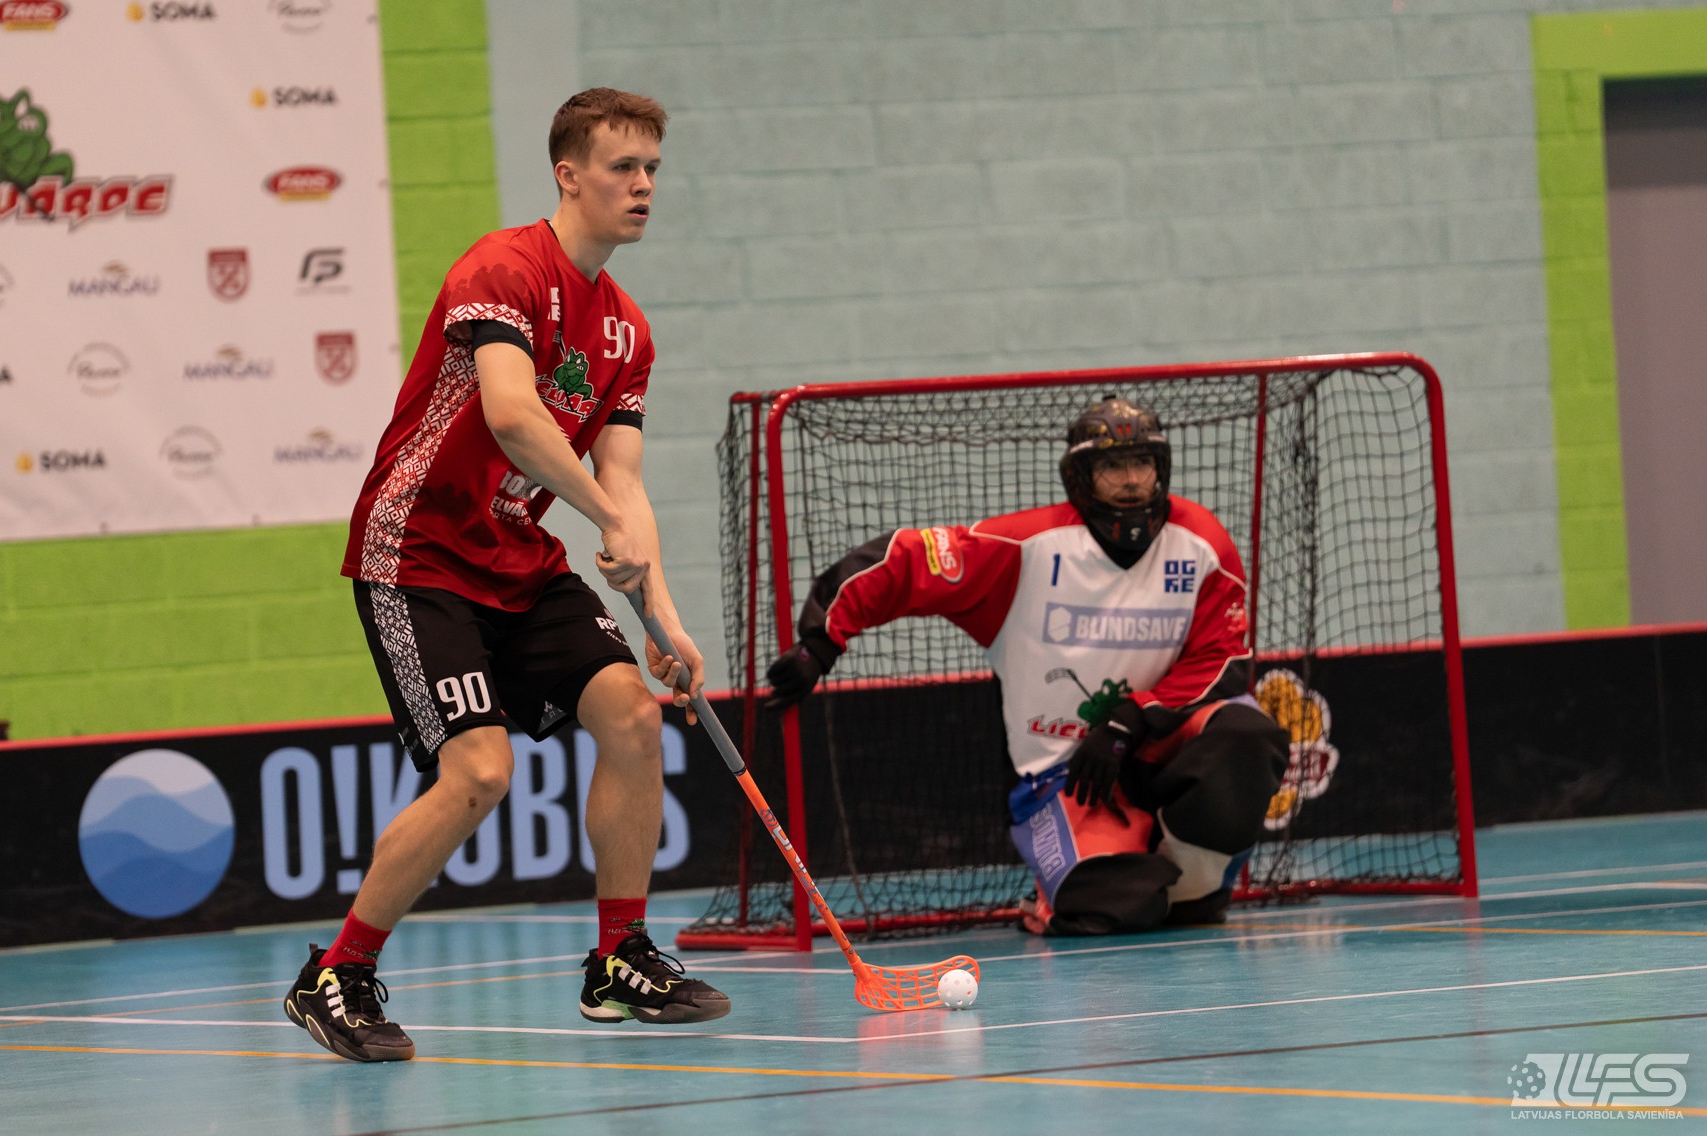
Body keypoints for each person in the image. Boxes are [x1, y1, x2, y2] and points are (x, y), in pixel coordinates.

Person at [282, 88, 729, 1064]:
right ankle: (336, 973)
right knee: (481, 770)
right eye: (623, 167)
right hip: (418, 553)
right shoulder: (503, 269)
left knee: (633, 716)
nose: (644, 186)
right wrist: (605, 518)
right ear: (569, 175)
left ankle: (619, 959)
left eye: (653, 169)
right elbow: (514, 417)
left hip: (516, 556)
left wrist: (661, 617)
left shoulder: (628, 332)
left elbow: (624, 483)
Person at [765, 397, 1289, 936]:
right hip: (1065, 776)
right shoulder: (1025, 547)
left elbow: (1221, 659)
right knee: (1110, 910)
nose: (1133, 480)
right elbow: (908, 561)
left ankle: (1190, 889)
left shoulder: (1201, 541)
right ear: (1080, 477)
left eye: (1143, 463)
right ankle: (1092, 886)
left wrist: (1132, 718)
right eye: (1112, 466)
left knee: (1248, 735)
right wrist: (821, 642)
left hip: (1159, 744)